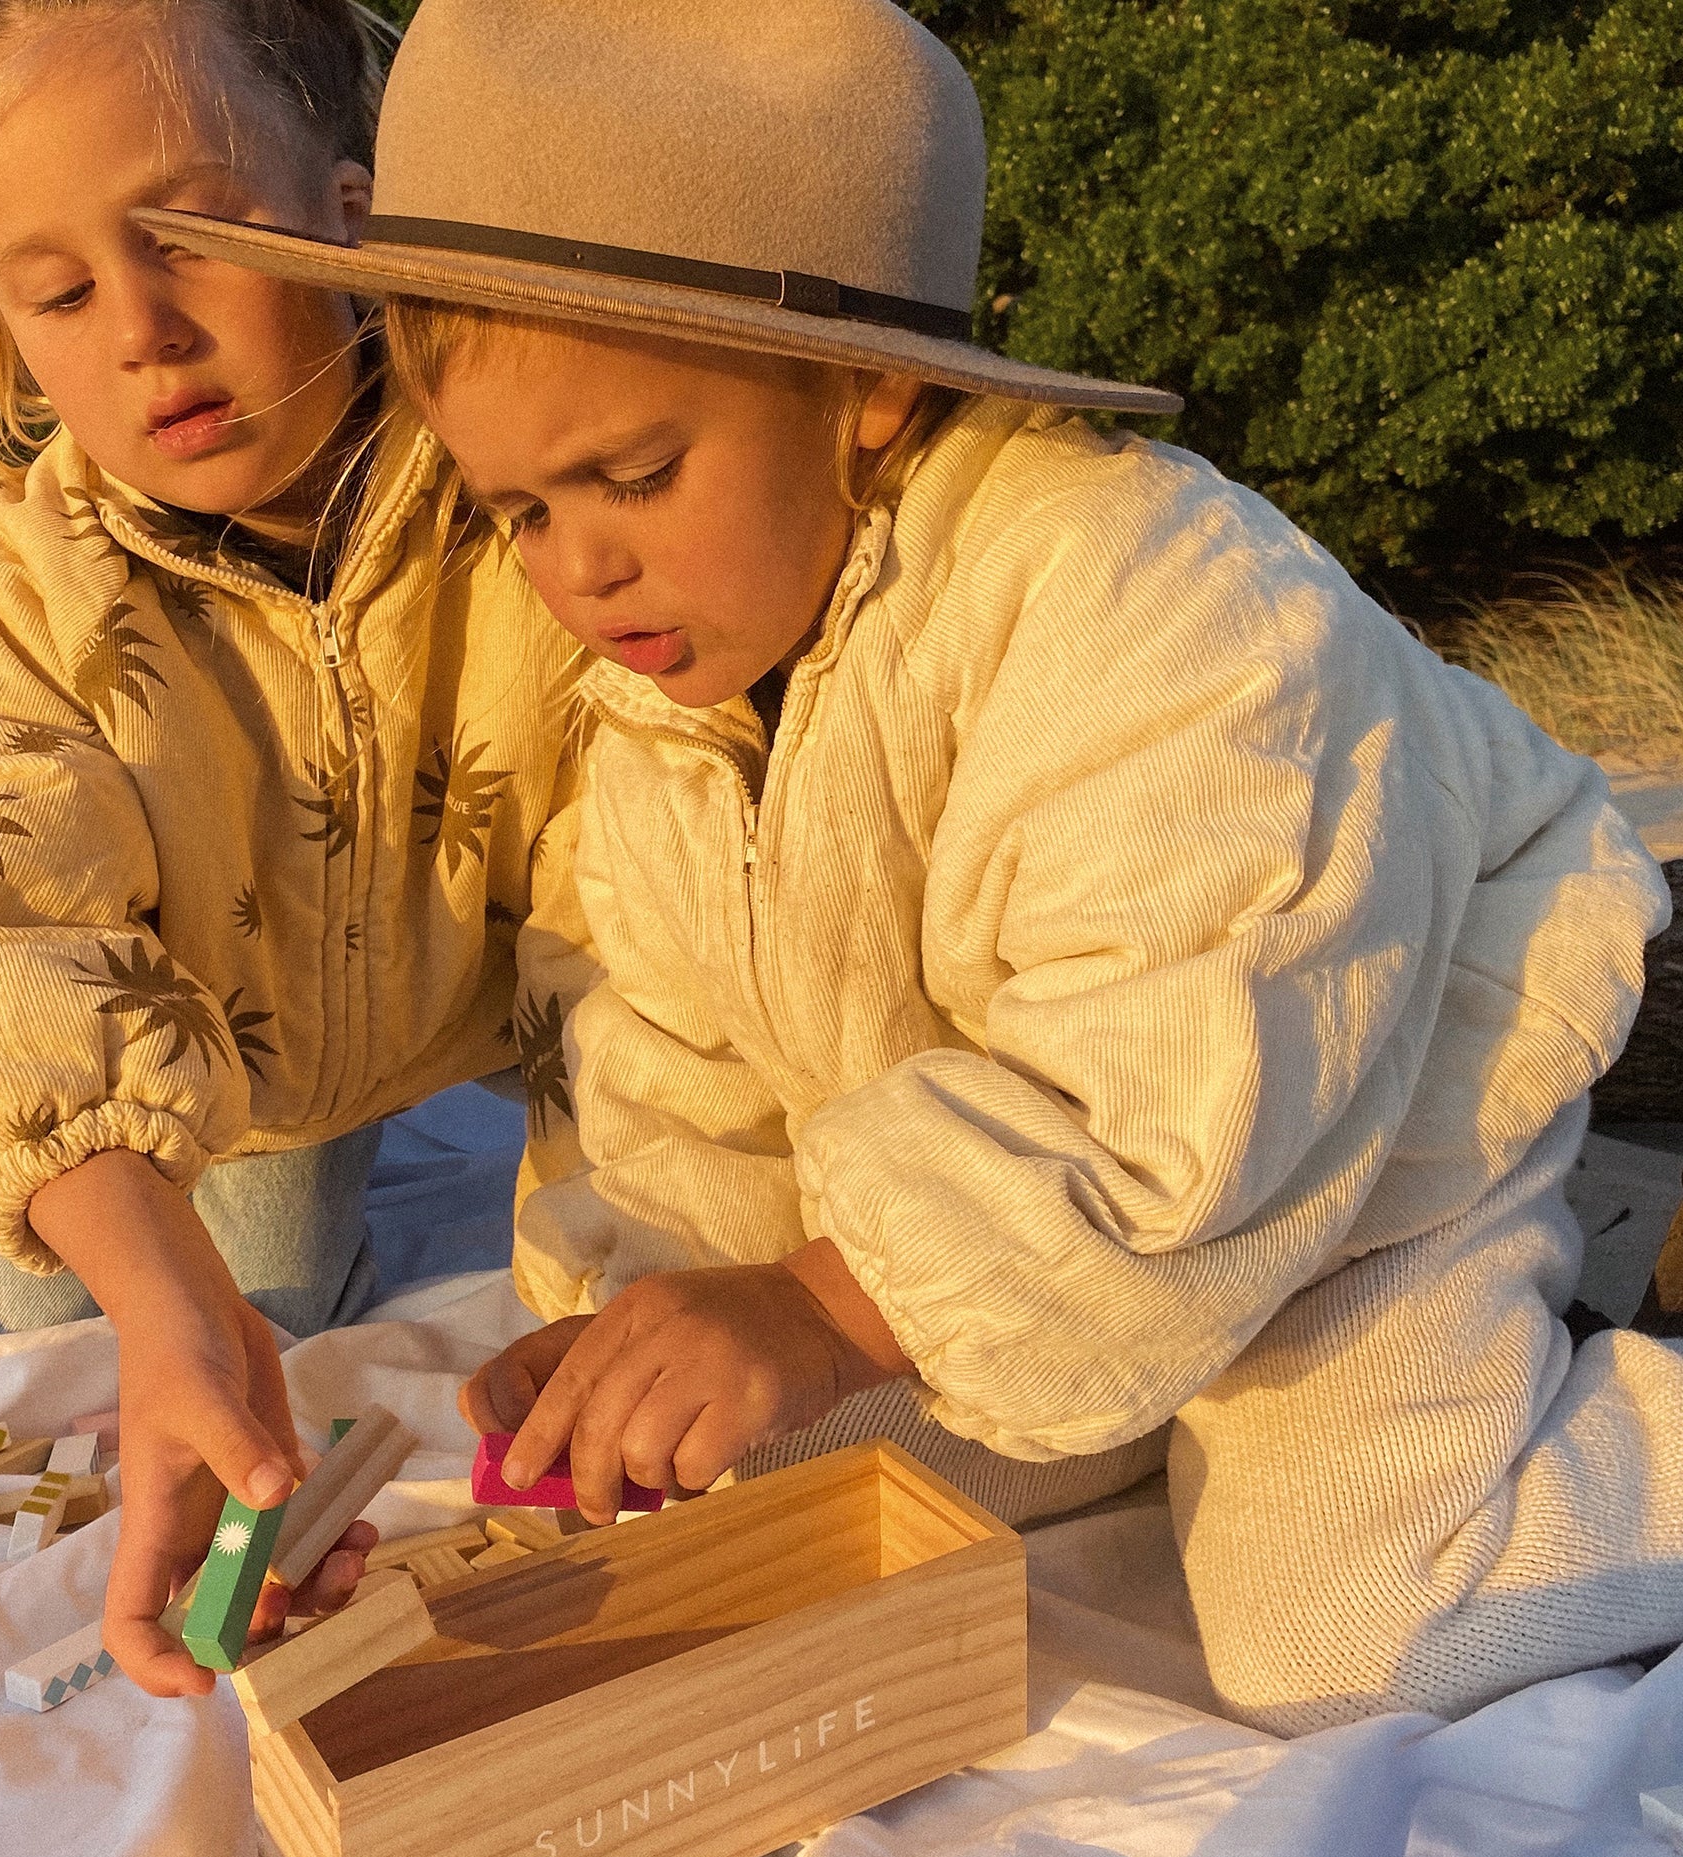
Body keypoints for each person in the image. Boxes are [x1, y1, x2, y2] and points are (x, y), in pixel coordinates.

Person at [155, 0, 1683, 1736]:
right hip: (1067, 1203)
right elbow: (671, 1051)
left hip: (1356, 1117)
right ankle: (1119, 1375)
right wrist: (645, 1313)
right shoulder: (676, 682)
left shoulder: (1158, 603)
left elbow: (1181, 1077)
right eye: (517, 511)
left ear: (866, 387)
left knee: (1348, 1633)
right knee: (753, 1489)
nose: (579, 565)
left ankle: (1605, 1392)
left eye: (636, 476)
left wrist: (822, 1301)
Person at [0, 0, 589, 1695]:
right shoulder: (28, 593)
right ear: (11, 333)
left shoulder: (544, 490)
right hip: (129, 1024)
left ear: (353, 209)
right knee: (95, 1326)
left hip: (320, 1065)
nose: (144, 331)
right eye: (58, 294)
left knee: (269, 1278)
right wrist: (161, 1300)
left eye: (199, 237)